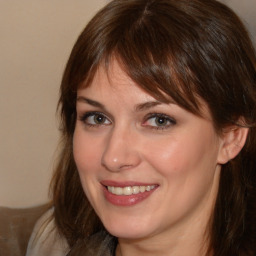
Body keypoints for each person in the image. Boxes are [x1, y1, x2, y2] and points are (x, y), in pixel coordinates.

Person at [26, 0, 256, 255]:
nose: (114, 157)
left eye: (159, 120)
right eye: (97, 118)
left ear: (231, 137)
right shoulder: (47, 244)